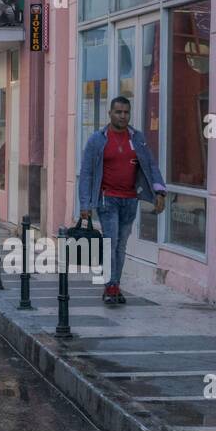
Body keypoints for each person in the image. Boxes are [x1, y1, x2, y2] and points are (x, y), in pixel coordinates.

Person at [77, 96, 167, 306]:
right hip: (107, 200)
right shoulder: (97, 140)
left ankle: (114, 284)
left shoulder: (137, 138)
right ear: (110, 114)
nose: (122, 116)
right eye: (118, 112)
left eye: (126, 112)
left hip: (130, 200)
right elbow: (87, 173)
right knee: (111, 243)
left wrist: (159, 191)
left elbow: (151, 165)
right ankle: (110, 286)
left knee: (121, 245)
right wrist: (85, 205)